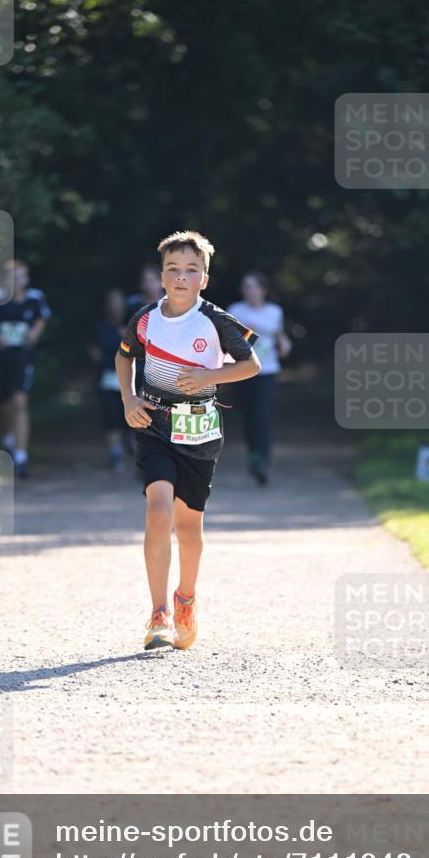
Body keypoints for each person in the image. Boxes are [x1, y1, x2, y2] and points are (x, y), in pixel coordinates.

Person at [115, 230, 261, 651]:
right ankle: (158, 613)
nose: (182, 277)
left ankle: (185, 600)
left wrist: (208, 376)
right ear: (161, 276)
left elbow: (252, 364)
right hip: (153, 423)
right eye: (173, 269)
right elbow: (123, 357)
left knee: (188, 525)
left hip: (198, 429)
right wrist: (128, 399)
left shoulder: (216, 320)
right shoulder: (145, 318)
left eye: (192, 270)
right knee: (158, 508)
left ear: (205, 279)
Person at [0, 259, 51, 478]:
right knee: (6, 406)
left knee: (20, 401)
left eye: (20, 276)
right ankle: (7, 438)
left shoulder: (35, 298)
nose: (16, 281)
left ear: (27, 279)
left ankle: (21, 457)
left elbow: (42, 318)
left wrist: (34, 334)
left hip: (22, 358)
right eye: (12, 277)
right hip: (0, 358)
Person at [228, 271, 292, 485]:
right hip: (243, 370)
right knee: (248, 416)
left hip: (267, 370)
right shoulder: (235, 310)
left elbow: (280, 336)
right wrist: (246, 332)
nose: (248, 290)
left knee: (261, 415)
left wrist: (285, 344)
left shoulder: (275, 311)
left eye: (252, 286)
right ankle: (253, 453)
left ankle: (263, 461)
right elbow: (227, 340)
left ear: (262, 289)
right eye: (245, 286)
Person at [89, 288, 132, 471]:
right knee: (111, 415)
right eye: (112, 304)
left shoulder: (131, 327)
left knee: (130, 415)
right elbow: (94, 352)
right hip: (107, 377)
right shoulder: (100, 327)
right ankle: (116, 453)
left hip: (131, 378)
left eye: (118, 304)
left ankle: (132, 446)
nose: (115, 308)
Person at [125, 263, 164, 395]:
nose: (148, 285)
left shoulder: (173, 304)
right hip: (138, 361)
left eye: (152, 281)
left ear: (161, 282)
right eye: (145, 281)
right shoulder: (131, 305)